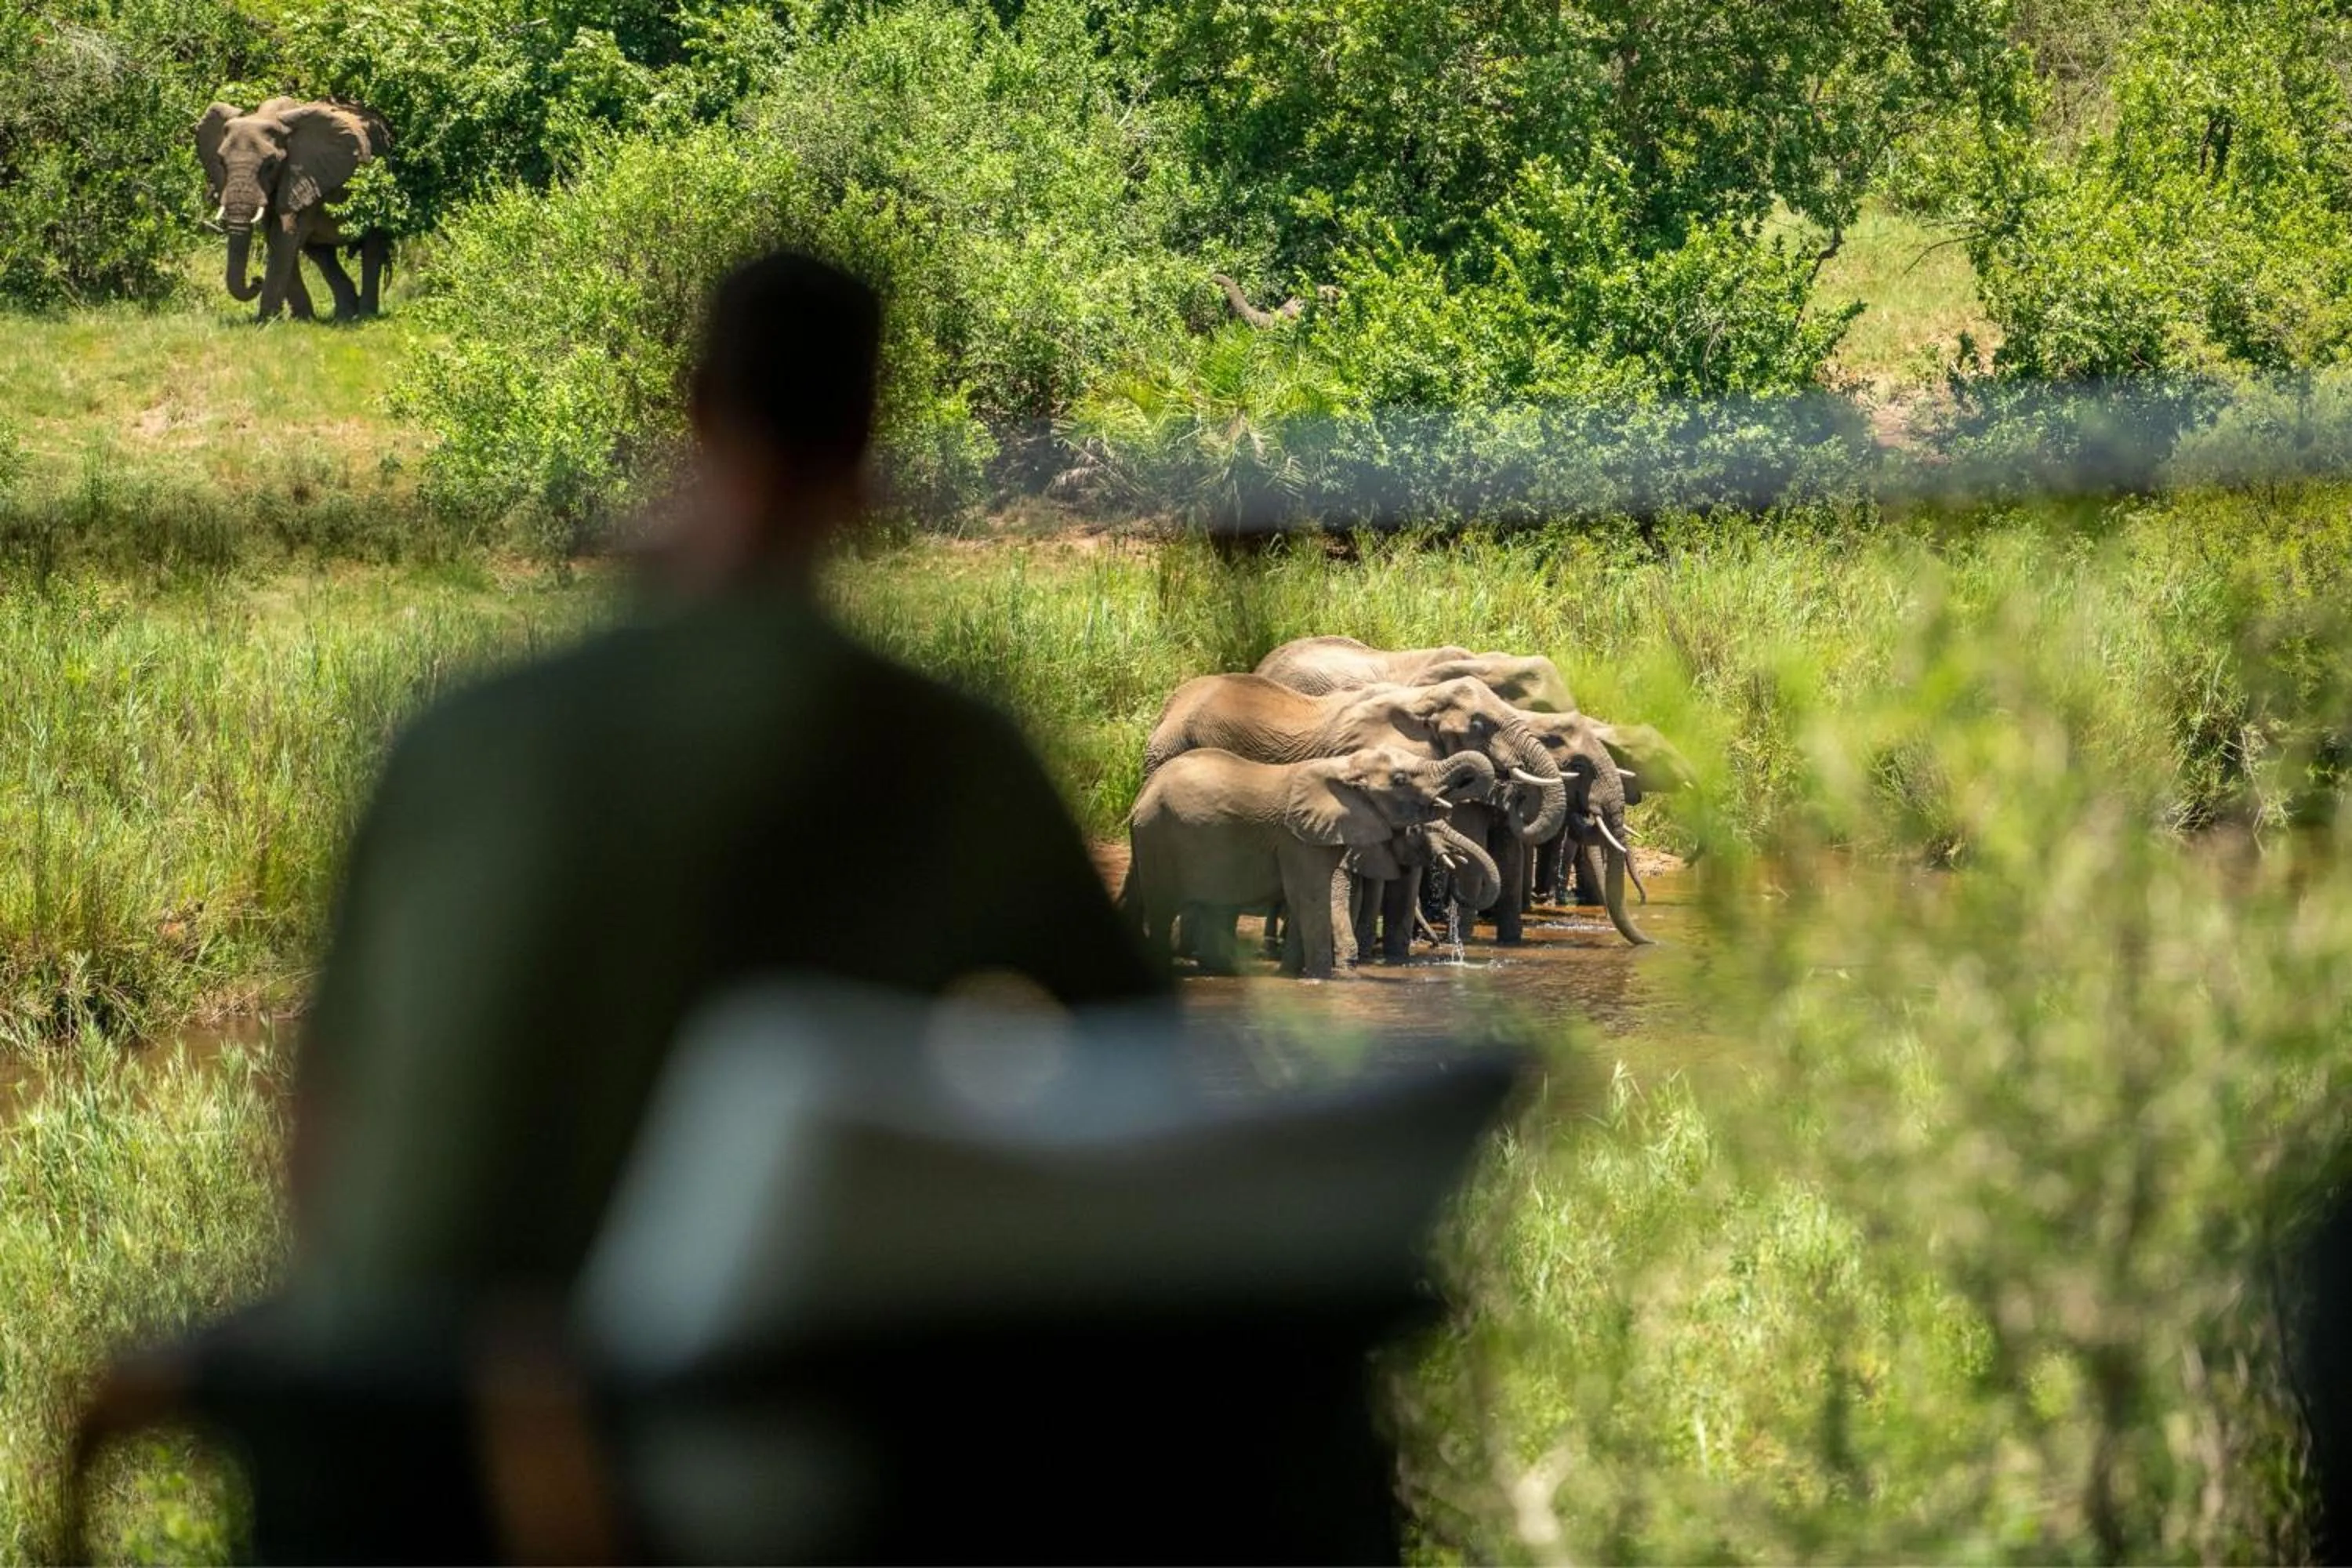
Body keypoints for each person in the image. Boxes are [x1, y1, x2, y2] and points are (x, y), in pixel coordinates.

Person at [288, 250, 1170, 1312]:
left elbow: (320, 1119)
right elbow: (1152, 1079)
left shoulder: (455, 733)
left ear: (698, 410)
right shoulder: (944, 751)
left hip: (405, 1392)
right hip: (738, 1391)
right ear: (868, 445)